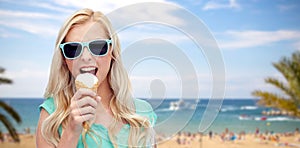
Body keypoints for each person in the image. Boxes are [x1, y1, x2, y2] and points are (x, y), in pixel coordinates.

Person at [36, 8, 157, 148]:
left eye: (98, 47)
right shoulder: (52, 114)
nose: (85, 57)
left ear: (111, 51)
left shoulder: (142, 113)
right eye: (73, 49)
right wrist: (71, 131)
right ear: (64, 58)